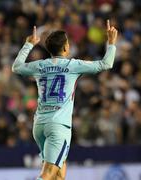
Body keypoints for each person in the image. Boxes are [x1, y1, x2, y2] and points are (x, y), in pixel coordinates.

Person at [12, 20, 117, 180]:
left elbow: (16, 67)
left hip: (39, 125)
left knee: (59, 171)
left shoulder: (39, 65)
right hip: (58, 126)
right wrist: (111, 42)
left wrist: (28, 44)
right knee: (48, 174)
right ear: (66, 48)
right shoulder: (73, 65)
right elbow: (106, 64)